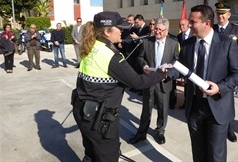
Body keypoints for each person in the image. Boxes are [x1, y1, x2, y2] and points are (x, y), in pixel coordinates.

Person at [71, 11, 167, 162]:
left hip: (83, 112)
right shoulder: (110, 56)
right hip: (99, 120)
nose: (123, 31)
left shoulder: (90, 46)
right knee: (107, 156)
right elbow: (138, 82)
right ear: (107, 32)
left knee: (91, 154)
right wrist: (160, 74)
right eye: (119, 28)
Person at [167, 4, 238, 162]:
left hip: (217, 107)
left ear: (207, 23)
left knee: (216, 155)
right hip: (194, 107)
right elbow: (181, 69)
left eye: (193, 22)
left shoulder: (227, 43)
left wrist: (220, 87)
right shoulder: (188, 44)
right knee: (198, 152)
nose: (189, 25)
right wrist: (166, 74)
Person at [128, 17, 179, 145]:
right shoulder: (147, 42)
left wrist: (169, 67)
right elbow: (140, 58)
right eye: (155, 29)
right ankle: (141, 133)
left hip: (164, 81)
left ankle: (160, 131)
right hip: (149, 80)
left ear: (166, 31)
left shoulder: (173, 43)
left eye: (160, 30)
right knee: (146, 109)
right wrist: (144, 66)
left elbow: (176, 61)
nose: (157, 32)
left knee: (163, 109)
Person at [213, 2, 238, 143]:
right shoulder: (212, 29)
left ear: (228, 15)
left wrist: (233, 63)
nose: (220, 16)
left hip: (229, 72)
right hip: (214, 71)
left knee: (227, 101)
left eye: (223, 13)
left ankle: (230, 129)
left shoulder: (236, 30)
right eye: (218, 13)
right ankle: (216, 124)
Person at [175, 18, 192, 109]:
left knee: (191, 85)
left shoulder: (194, 35)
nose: (181, 27)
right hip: (183, 64)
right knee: (186, 85)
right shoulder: (179, 36)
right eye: (180, 25)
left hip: (192, 64)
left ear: (189, 25)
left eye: (183, 25)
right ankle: (186, 103)